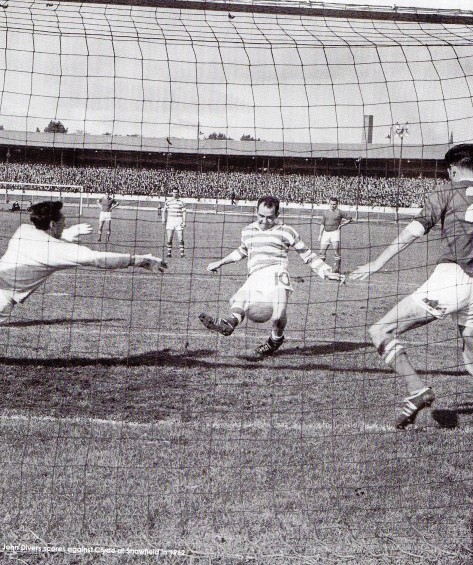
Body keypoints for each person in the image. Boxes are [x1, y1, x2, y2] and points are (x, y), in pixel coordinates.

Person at [350, 143, 473, 429]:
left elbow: (413, 232)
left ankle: (417, 389)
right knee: (470, 352)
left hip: (452, 279)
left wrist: (378, 263)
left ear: (452, 169)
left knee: (380, 329)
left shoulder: (445, 191)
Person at [199, 195, 345, 357]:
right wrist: (219, 262)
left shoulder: (287, 231)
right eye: (261, 216)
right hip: (255, 275)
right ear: (256, 212)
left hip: (277, 274)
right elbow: (242, 251)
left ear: (277, 215)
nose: (264, 221)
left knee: (278, 314)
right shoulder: (248, 231)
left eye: (269, 217)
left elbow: (307, 254)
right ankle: (228, 323)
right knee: (241, 299)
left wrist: (326, 271)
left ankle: (275, 339)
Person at [0, 201, 166, 324]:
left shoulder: (23, 230)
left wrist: (64, 234)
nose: (65, 223)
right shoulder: (56, 250)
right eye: (63, 221)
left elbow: (42, 240)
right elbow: (97, 258)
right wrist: (137, 260)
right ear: (52, 224)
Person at [318, 197, 353, 273]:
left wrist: (342, 224)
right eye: (331, 204)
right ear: (329, 204)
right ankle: (321, 269)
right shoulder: (325, 212)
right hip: (326, 233)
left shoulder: (340, 212)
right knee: (321, 251)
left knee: (336, 251)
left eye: (334, 204)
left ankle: (336, 269)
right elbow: (322, 224)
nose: (332, 205)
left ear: (337, 204)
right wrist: (320, 234)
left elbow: (350, 219)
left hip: (335, 233)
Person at [162, 189, 187, 258]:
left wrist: (184, 221)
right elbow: (164, 211)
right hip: (170, 220)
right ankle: (169, 253)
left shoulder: (181, 202)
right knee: (169, 237)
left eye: (176, 192)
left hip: (179, 220)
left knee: (180, 238)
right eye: (174, 192)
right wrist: (163, 218)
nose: (175, 193)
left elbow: (184, 212)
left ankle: (182, 254)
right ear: (172, 193)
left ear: (178, 193)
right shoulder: (168, 201)